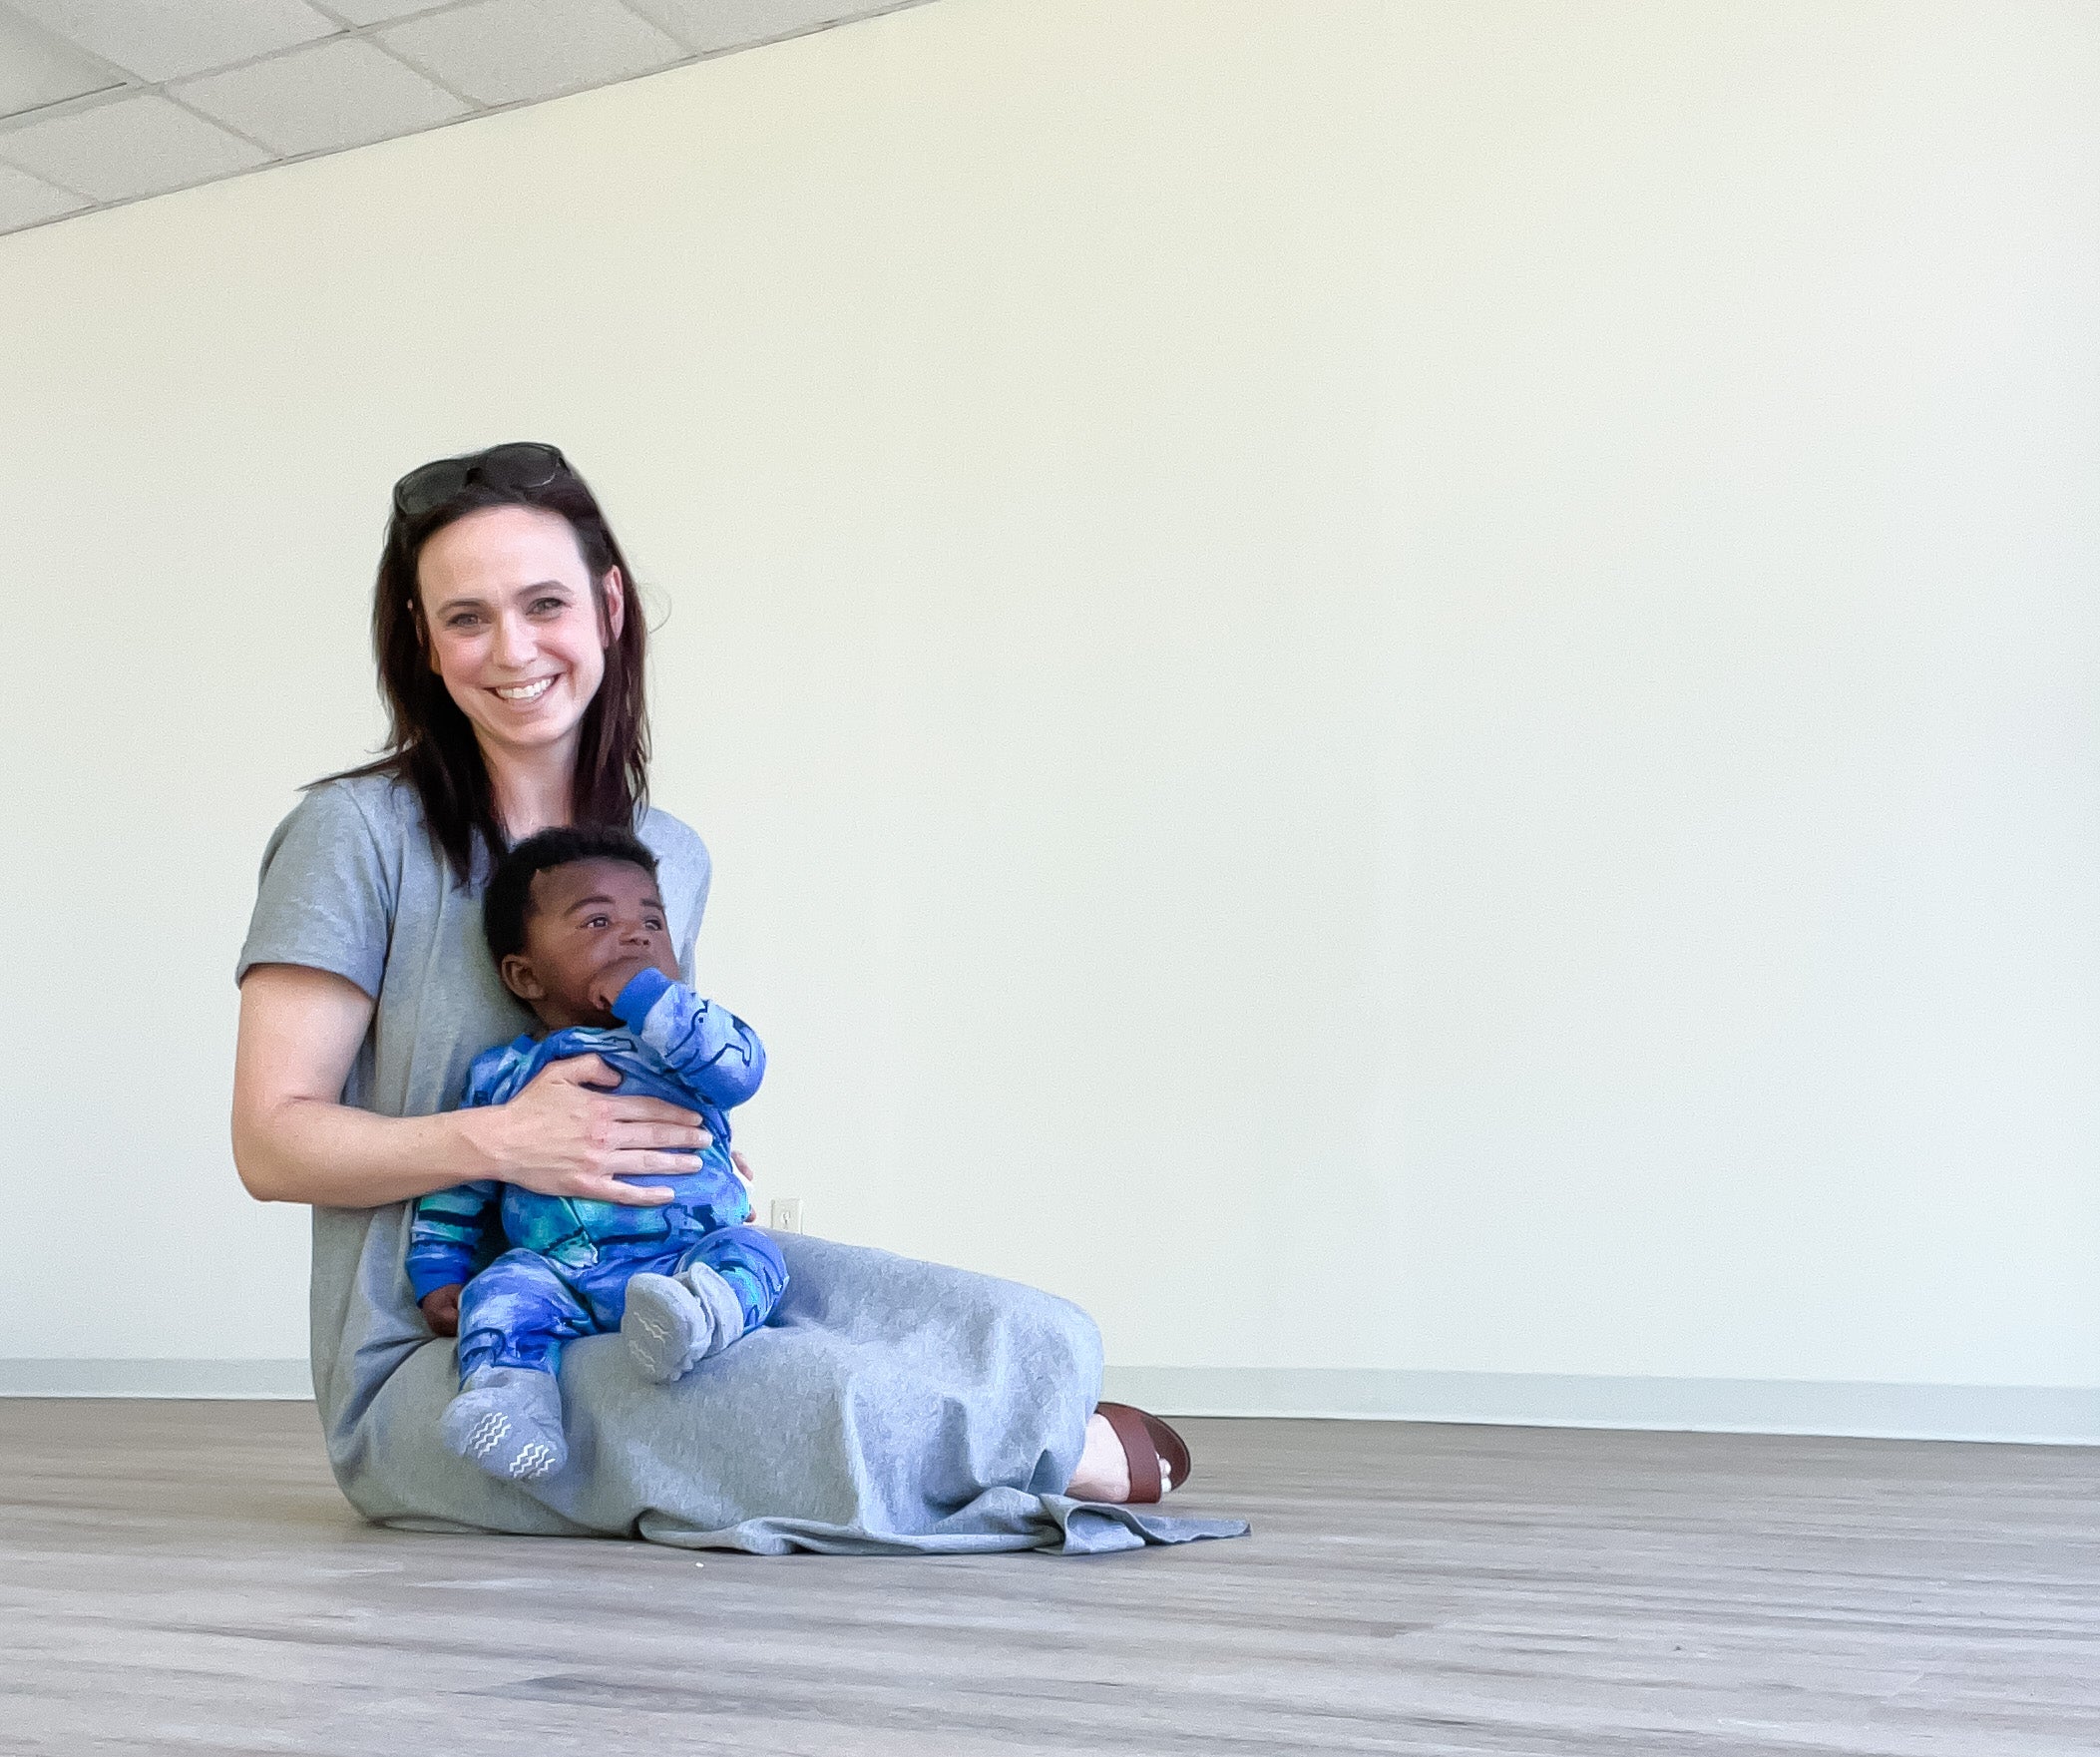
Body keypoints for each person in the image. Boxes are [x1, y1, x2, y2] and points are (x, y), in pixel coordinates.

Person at [230, 440, 1242, 1552]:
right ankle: (1059, 1448)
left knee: (1021, 1330)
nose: (512, 649)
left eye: (544, 603)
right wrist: (508, 1142)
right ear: (424, 644)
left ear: (609, 607)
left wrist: (695, 1143)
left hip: (660, 1274)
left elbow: (667, 1062)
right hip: (466, 1358)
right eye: (465, 618)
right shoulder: (354, 835)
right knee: (848, 1405)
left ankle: (1015, 1424)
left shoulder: (665, 854)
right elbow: (272, 1146)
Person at [409, 824, 785, 1485]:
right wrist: (438, 1270)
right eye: (597, 920)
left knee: (759, 1256)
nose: (637, 935)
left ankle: (691, 1321)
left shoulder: (683, 1049)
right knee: (501, 1292)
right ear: (524, 974)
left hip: (686, 1256)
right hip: (563, 1273)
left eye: (652, 919)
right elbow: (462, 1176)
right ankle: (511, 1411)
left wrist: (647, 999)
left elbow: (743, 1069)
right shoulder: (503, 1072)